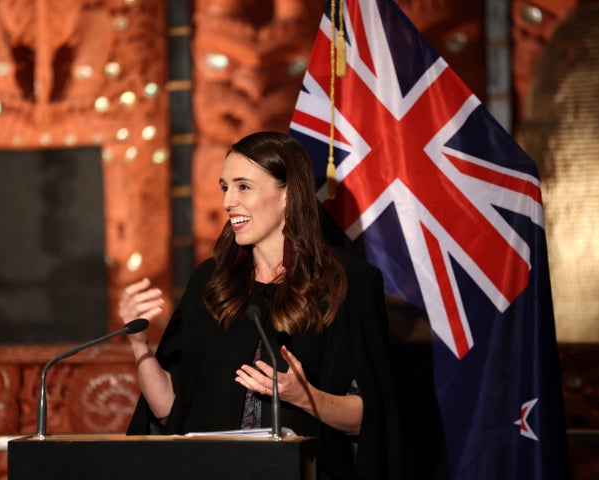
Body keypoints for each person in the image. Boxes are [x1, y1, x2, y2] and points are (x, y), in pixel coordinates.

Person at [120, 131, 402, 479]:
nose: (227, 202)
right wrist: (139, 345)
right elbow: (167, 410)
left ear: (286, 195)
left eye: (243, 186)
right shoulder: (210, 282)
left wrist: (304, 396)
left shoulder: (348, 284)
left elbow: (370, 418)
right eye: (225, 187)